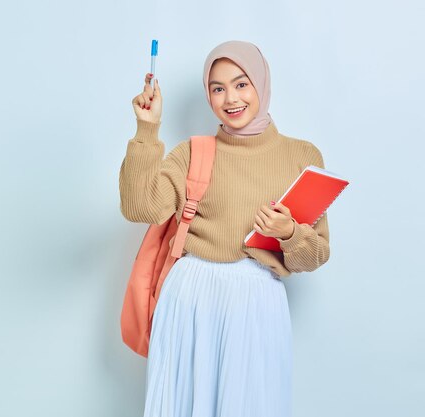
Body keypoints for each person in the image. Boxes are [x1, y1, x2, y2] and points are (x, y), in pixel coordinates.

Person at [119, 40, 330, 417]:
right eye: (218, 88)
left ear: (261, 85)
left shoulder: (302, 156)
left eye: (241, 84)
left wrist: (289, 233)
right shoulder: (192, 152)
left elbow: (315, 255)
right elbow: (140, 208)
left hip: (258, 302)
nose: (230, 98)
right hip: (190, 298)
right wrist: (146, 131)